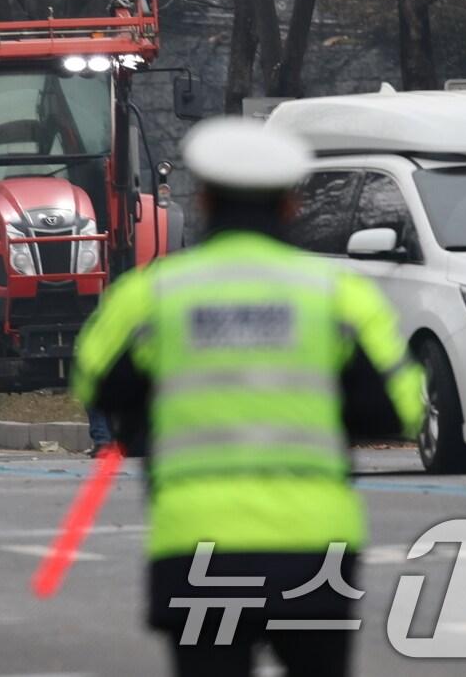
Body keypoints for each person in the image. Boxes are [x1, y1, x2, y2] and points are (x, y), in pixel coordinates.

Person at [71, 116, 424, 677]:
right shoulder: (339, 298)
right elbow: (399, 409)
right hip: (314, 551)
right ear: (290, 206)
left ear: (203, 199)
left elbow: (94, 382)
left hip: (195, 548)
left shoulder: (152, 296)